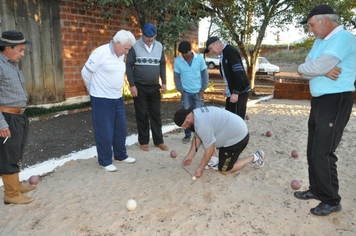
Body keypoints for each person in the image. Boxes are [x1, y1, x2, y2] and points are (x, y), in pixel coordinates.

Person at [296, 4, 356, 216]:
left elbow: (315, 67)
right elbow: (305, 67)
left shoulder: (344, 38)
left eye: (312, 25)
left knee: (323, 151)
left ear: (326, 21)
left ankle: (331, 200)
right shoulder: (320, 41)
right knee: (312, 148)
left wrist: (318, 68)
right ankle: (316, 190)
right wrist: (318, 69)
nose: (310, 30)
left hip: (335, 100)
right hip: (319, 101)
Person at [81, 30, 137, 172]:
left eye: (128, 49)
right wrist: (91, 90)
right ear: (117, 43)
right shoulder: (101, 52)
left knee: (120, 128)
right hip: (101, 98)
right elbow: (85, 72)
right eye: (126, 48)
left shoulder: (119, 55)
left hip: (117, 97)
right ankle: (105, 161)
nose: (127, 52)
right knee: (104, 130)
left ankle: (120, 155)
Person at [174, 106, 265, 178]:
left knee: (224, 170)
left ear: (187, 118)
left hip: (238, 139)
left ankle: (255, 157)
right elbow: (197, 137)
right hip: (234, 129)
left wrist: (200, 169)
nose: (185, 128)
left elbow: (209, 150)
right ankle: (214, 161)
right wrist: (189, 156)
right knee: (207, 138)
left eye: (184, 125)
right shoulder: (196, 114)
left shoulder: (201, 124)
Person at [0, 30, 36, 204]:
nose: (22, 54)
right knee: (8, 155)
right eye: (20, 50)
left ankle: (15, 185)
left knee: (16, 151)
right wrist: (1, 123)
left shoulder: (12, 63)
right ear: (7, 47)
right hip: (6, 118)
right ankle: (11, 194)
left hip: (19, 116)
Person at [126, 23, 169, 152]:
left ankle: (159, 141)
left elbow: (162, 64)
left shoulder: (159, 46)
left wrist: (164, 82)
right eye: (147, 37)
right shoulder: (135, 46)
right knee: (142, 114)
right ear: (142, 34)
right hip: (140, 87)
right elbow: (128, 66)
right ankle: (144, 141)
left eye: (152, 37)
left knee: (156, 114)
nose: (150, 39)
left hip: (155, 86)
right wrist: (132, 85)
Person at [204, 37, 250, 119]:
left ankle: (242, 132)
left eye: (211, 48)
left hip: (240, 91)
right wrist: (228, 89)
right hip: (232, 91)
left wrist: (235, 92)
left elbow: (239, 73)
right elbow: (228, 75)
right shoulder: (223, 54)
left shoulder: (230, 51)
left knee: (236, 119)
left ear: (216, 43)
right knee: (229, 117)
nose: (211, 52)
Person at [174, 41, 209, 144]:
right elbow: (176, 77)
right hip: (186, 94)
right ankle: (187, 135)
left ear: (190, 50)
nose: (184, 55)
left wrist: (202, 90)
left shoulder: (199, 59)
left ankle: (199, 136)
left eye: (186, 52)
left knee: (199, 115)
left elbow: (205, 75)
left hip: (198, 92)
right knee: (186, 115)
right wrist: (182, 91)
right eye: (182, 53)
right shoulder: (177, 61)